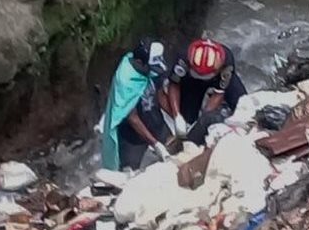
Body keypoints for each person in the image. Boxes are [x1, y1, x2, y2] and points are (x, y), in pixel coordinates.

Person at [101, 39, 172, 171]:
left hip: (155, 121)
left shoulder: (152, 68)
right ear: (140, 62)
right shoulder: (125, 80)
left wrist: (175, 116)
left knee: (171, 156)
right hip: (132, 135)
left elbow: (160, 93)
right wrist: (155, 144)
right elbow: (132, 117)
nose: (154, 71)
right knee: (128, 174)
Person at [164, 38, 247, 145]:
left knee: (242, 104)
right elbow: (174, 85)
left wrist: (204, 117)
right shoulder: (183, 59)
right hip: (191, 80)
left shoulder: (226, 62)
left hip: (216, 78)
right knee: (188, 118)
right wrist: (177, 116)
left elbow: (219, 92)